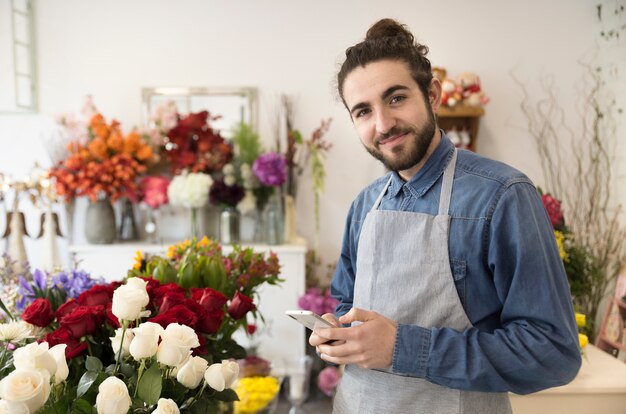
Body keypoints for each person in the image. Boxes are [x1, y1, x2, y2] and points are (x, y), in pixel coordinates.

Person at [309, 18, 581, 414]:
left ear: (432, 94)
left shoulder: (502, 197)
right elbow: (348, 308)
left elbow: (553, 353)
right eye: (363, 111)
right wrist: (335, 334)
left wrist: (401, 348)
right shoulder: (363, 207)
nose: (382, 124)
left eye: (396, 98)